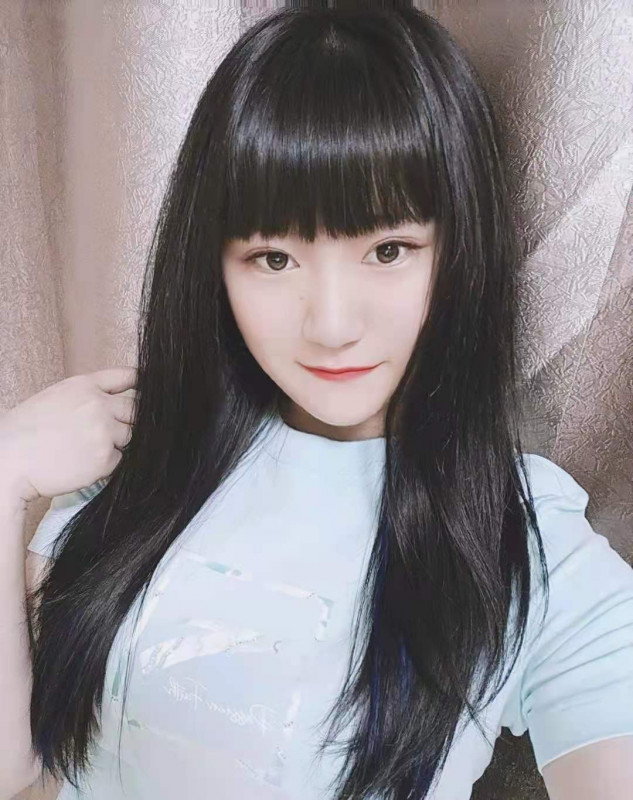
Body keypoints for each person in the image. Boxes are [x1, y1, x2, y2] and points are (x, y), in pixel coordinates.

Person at [1, 3, 632, 799]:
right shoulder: (136, 464)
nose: (331, 325)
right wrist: (5, 473)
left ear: (460, 253)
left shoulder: (523, 541)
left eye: (388, 250)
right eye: (273, 258)